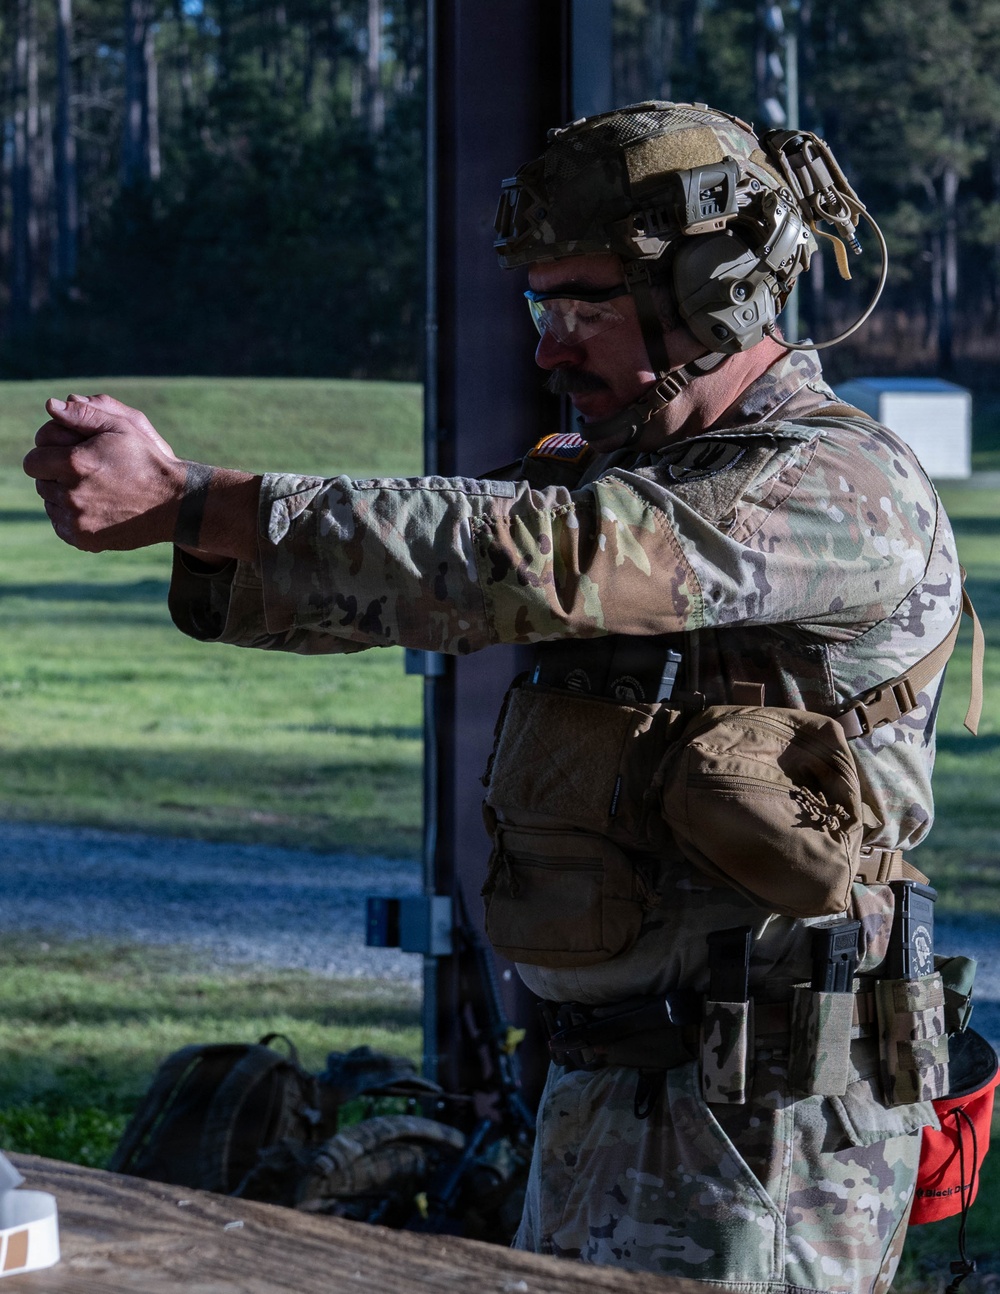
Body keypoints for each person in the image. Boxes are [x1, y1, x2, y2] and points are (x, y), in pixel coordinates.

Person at [24, 102, 971, 1293]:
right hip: (606, 1090)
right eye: (539, 308)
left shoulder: (838, 482)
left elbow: (538, 555)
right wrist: (200, 535)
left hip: (763, 1119)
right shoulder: (630, 476)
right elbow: (431, 578)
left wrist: (200, 498)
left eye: (584, 306)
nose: (549, 349)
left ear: (715, 291)